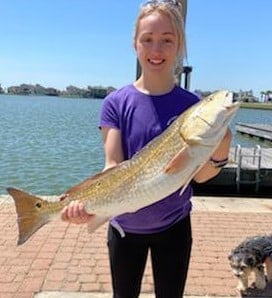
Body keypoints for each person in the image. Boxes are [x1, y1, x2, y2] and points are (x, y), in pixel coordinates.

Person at [61, 0, 232, 297]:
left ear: (180, 45)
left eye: (167, 40)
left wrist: (222, 146)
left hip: (175, 227)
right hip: (124, 227)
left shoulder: (191, 105)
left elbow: (198, 176)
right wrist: (86, 204)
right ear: (134, 44)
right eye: (148, 39)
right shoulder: (116, 102)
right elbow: (113, 166)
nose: (156, 50)